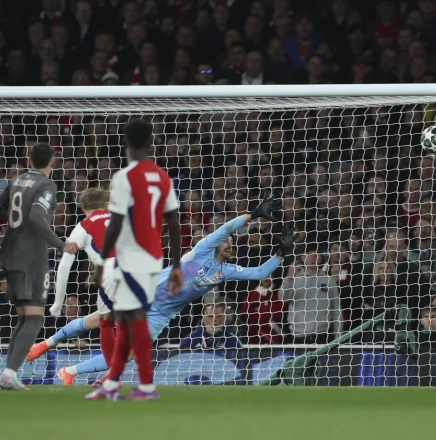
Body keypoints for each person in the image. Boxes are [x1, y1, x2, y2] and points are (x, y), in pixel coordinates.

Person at [38, 194, 295, 385]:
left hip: (159, 315)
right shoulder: (202, 250)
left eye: (231, 243)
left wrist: (280, 254)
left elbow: (259, 273)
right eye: (226, 241)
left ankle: (69, 371)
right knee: (95, 320)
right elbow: (224, 228)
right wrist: (252, 215)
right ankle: (47, 343)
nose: (229, 243)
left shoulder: (225, 271)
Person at [85, 119, 182, 401]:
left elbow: (115, 224)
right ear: (151, 144)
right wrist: (176, 265)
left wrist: (100, 263)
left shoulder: (124, 178)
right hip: (153, 258)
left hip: (131, 257)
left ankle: (147, 386)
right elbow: (174, 223)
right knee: (126, 319)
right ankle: (112, 383)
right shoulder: (162, 177)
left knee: (134, 318)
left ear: (126, 143)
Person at [0, 142, 78, 390]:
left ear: (29, 160)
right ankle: (9, 373)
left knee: (24, 317)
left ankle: (8, 373)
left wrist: (14, 224)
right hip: (31, 258)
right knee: (34, 319)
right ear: (52, 161)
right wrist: (60, 244)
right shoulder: (46, 185)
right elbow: (36, 215)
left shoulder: (17, 180)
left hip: (10, 254)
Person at [26, 188, 118, 385]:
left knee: (106, 323)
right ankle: (110, 376)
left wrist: (58, 303)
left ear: (82, 208)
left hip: (111, 274)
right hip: (140, 273)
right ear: (106, 205)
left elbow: (64, 266)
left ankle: (109, 376)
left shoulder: (82, 227)